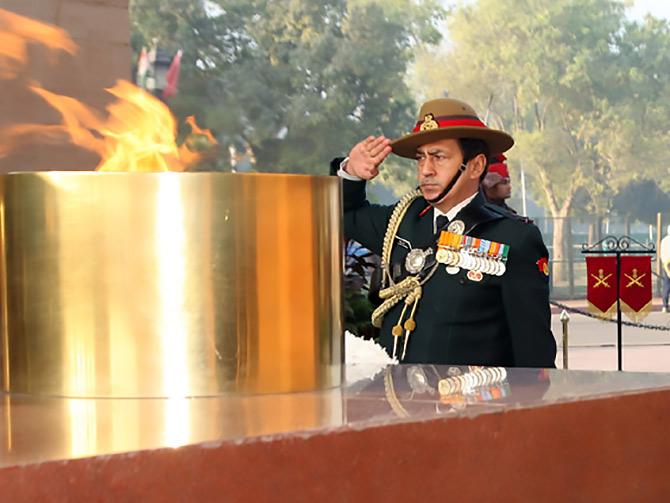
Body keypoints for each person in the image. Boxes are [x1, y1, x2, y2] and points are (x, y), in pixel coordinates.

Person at [330, 97, 556, 368]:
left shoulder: (512, 238)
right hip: (395, 400)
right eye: (421, 158)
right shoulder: (401, 221)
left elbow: (532, 352)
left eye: (438, 157)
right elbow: (343, 213)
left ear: (475, 165)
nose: (426, 170)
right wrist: (351, 173)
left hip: (469, 406)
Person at [661, 224, 670, 313]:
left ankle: (665, 306)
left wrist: (664, 263)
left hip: (666, 263)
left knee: (667, 284)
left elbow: (662, 253)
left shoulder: (664, 241)